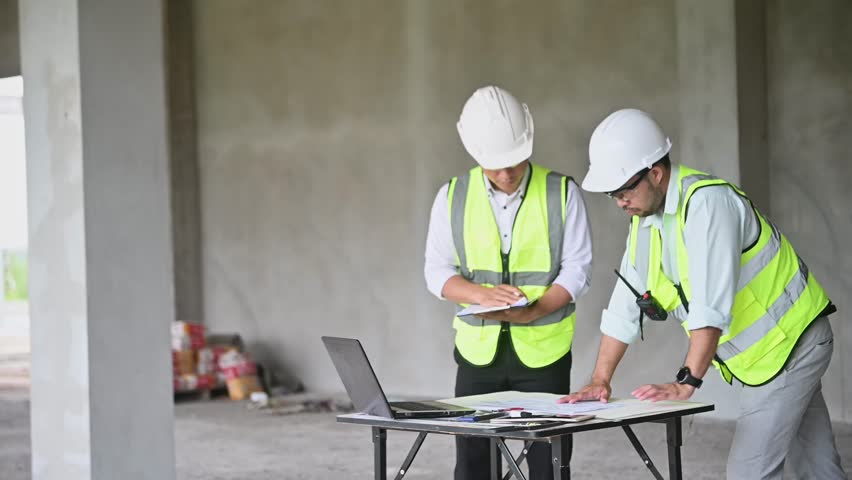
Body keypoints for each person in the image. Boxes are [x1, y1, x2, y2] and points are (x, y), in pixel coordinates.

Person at [560, 108, 846, 479]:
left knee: (749, 472)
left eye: (624, 190)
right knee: (817, 465)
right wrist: (600, 378)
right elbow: (624, 305)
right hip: (769, 354)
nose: (619, 201)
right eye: (612, 194)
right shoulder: (645, 225)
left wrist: (687, 382)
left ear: (656, 173)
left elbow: (709, 306)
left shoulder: (708, 204)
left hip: (790, 346)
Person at [424, 85, 592, 480]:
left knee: (548, 463)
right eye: (495, 164)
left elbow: (578, 269)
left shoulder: (562, 192)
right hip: (477, 354)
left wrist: (534, 311)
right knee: (472, 463)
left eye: (514, 161)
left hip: (544, 353)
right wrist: (481, 296)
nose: (506, 173)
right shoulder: (452, 196)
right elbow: (436, 271)